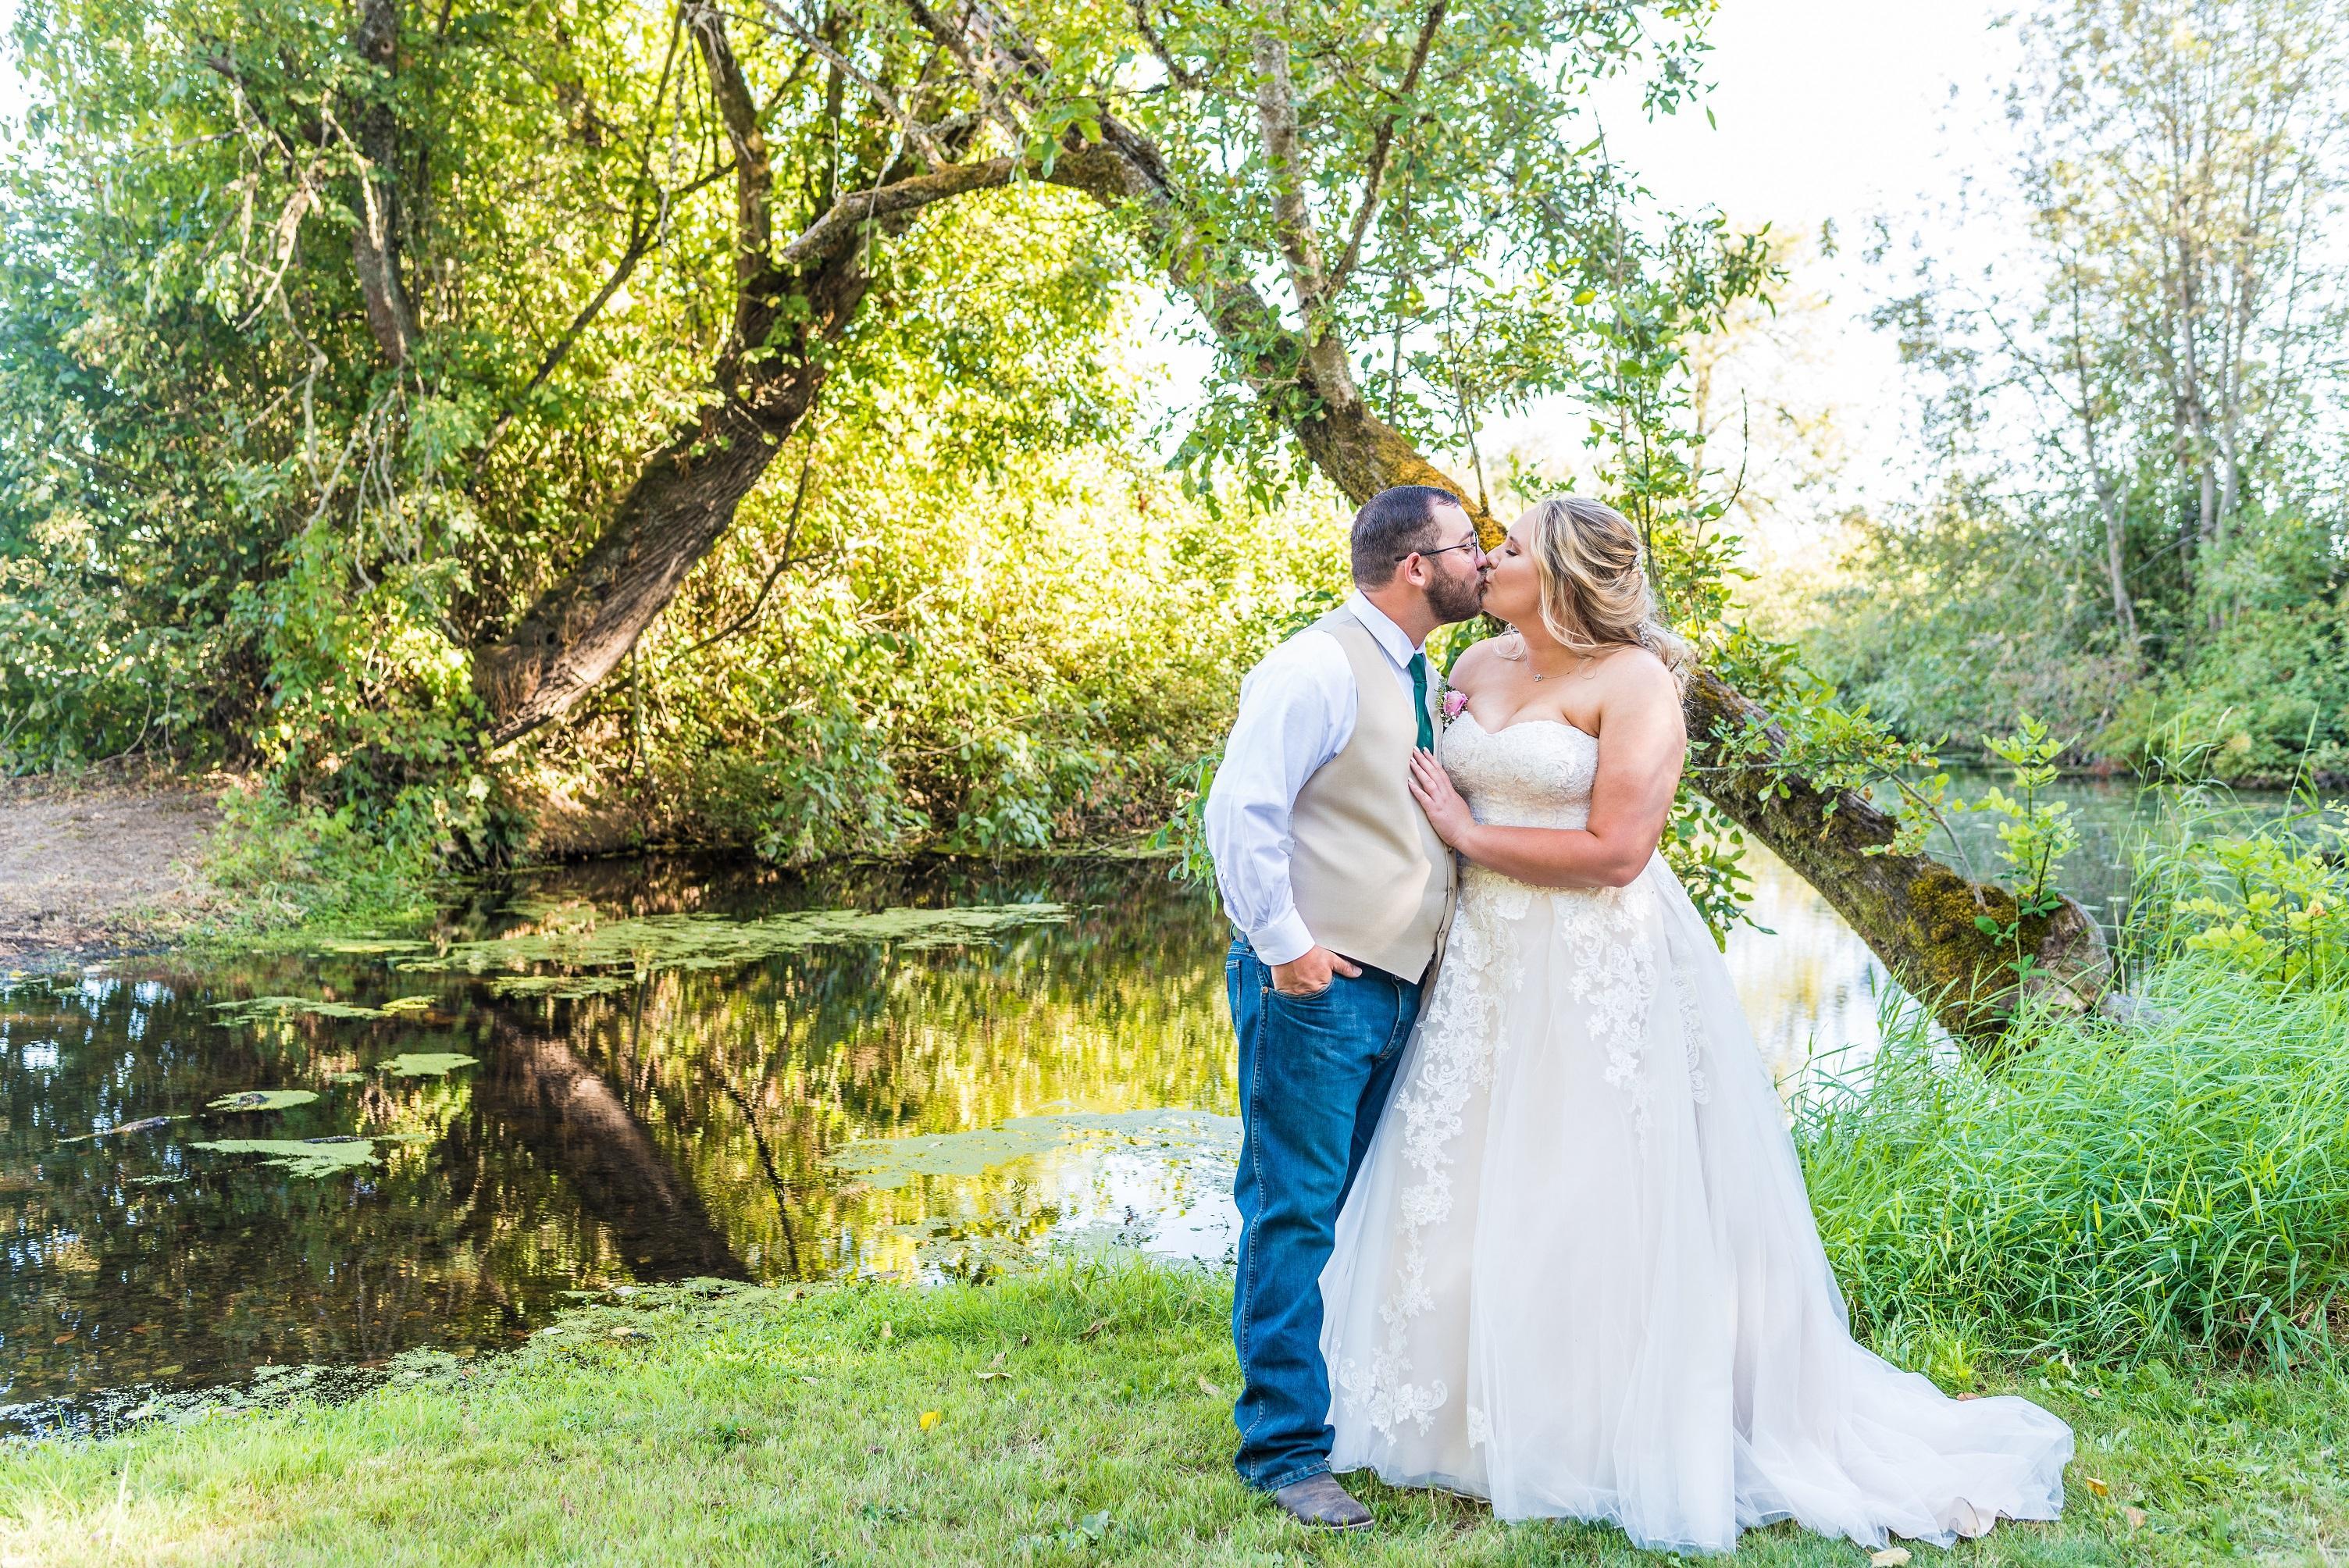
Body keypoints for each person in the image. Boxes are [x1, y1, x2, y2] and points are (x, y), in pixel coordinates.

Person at [1318, 494, 2073, 1553]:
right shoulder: (1476, 666)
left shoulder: (1635, 685)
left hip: (1593, 956)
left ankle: (1595, 1422)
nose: (1488, 558)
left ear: (1562, 574)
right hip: (1485, 957)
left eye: (1511, 547)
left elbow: (1618, 853)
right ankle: (1459, 1414)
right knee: (1469, 1162)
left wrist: (1466, 834)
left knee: (1589, 1171)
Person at [1202, 483, 1490, 1530]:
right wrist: (1287, 949)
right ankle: (1284, 1451)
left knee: (1357, 1209)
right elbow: (1240, 810)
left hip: (1399, 988)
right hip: (1319, 989)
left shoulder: (1420, 673)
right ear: (1418, 566)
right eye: (1469, 546)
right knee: (1293, 1210)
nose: (1483, 561)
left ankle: (1339, 1407)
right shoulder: (1316, 665)